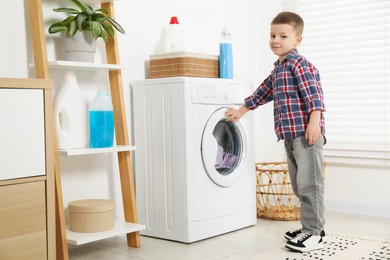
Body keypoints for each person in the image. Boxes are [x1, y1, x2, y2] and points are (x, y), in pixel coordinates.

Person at [224, 11, 326, 253]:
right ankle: (307, 227)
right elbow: (263, 92)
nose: (275, 40)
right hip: (290, 135)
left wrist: (315, 123)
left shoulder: (299, 65)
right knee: (299, 185)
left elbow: (314, 96)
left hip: (306, 134)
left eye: (283, 35)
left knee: (310, 184)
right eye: (272, 35)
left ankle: (315, 233)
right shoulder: (279, 68)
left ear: (297, 40)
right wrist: (242, 110)